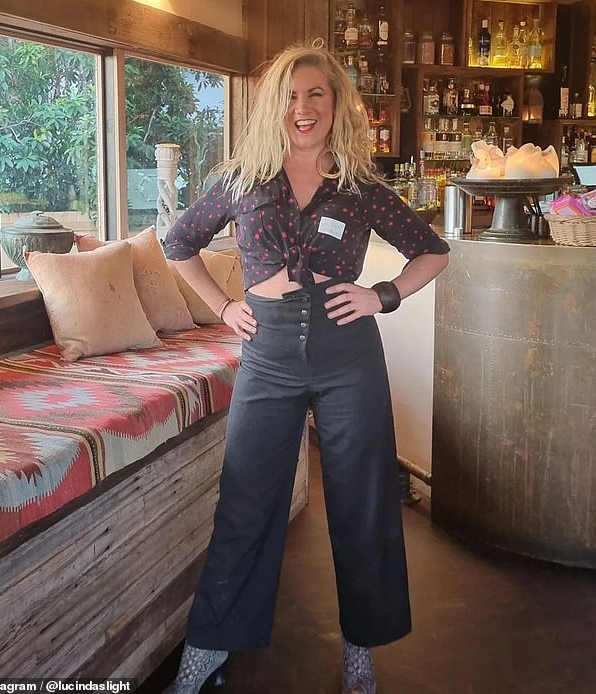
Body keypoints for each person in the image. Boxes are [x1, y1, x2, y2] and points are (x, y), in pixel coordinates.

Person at [162, 43, 449, 694]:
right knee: (244, 503)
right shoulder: (243, 180)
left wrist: (382, 295)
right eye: (291, 95)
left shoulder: (360, 188)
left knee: (362, 503)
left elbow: (432, 251)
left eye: (316, 93)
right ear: (275, 105)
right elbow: (179, 242)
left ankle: (359, 655)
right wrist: (223, 307)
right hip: (268, 354)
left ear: (336, 103)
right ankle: (205, 653)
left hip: (347, 352)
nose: (303, 107)